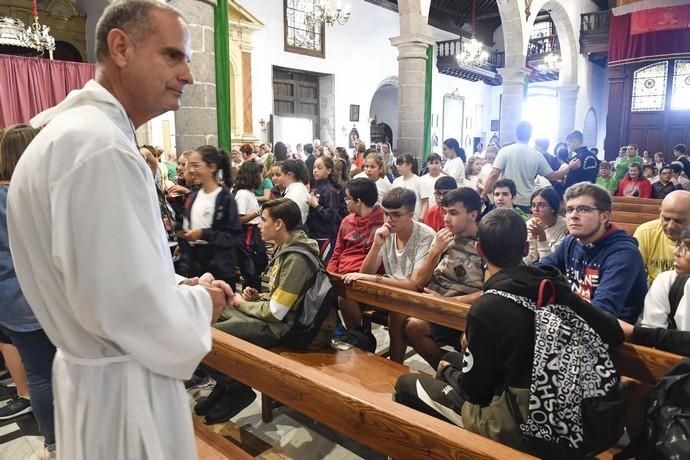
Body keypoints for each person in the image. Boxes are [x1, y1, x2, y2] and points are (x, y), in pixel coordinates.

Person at [6, 2, 232, 459]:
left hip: (96, 382)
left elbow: (98, 280)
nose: (188, 74)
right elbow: (132, 311)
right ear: (121, 47)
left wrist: (172, 283)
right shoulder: (99, 147)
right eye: (174, 55)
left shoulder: (71, 135)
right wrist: (200, 302)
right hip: (126, 397)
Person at [393, 208, 623, 453]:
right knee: (450, 358)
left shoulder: (487, 307)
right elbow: (614, 333)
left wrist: (449, 373)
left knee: (407, 384)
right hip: (576, 411)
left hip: (527, 426)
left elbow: (475, 392)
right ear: (525, 248)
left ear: (480, 251)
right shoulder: (553, 286)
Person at [199, 198, 322, 423]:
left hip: (281, 328)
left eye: (263, 220)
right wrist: (258, 298)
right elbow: (279, 297)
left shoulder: (296, 257)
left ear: (278, 224)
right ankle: (225, 384)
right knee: (205, 318)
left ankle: (236, 388)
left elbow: (277, 313)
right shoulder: (286, 247)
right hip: (274, 318)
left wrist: (242, 303)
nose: (258, 225)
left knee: (204, 336)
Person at [0, 124, 57, 458]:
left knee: (38, 374)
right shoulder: (30, 195)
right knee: (58, 371)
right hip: (39, 298)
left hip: (9, 299)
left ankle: (52, 442)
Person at [342, 188, 435, 363]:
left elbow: (415, 285)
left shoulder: (425, 235)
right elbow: (365, 273)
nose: (389, 220)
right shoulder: (385, 232)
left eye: (396, 215)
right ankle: (362, 344)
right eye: (386, 214)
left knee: (397, 306)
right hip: (389, 290)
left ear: (410, 215)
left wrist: (375, 279)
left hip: (412, 296)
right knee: (345, 294)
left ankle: (395, 364)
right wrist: (376, 246)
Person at [537, 184, 647, 323]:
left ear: (604, 216)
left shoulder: (623, 254)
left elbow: (602, 312)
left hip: (615, 332)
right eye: (569, 210)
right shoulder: (571, 241)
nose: (573, 216)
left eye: (583, 209)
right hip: (578, 320)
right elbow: (541, 270)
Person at [404, 188, 485, 368]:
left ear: (473, 214)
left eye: (453, 213)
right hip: (436, 306)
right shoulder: (443, 237)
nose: (446, 218)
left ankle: (460, 378)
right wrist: (435, 251)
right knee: (410, 325)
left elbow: (490, 291)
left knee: (470, 340)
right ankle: (448, 371)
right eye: (445, 212)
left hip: (468, 311)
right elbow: (418, 282)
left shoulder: (487, 242)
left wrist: (448, 301)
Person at [327, 179, 384, 348]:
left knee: (345, 295)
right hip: (342, 276)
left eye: (347, 199)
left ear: (358, 201)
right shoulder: (347, 221)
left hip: (367, 280)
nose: (345, 202)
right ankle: (343, 334)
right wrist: (330, 275)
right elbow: (337, 252)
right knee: (315, 291)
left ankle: (358, 337)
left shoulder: (382, 222)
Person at [177, 145, 242, 285]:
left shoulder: (225, 199)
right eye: (190, 166)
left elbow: (233, 236)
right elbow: (185, 226)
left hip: (218, 269)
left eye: (196, 165)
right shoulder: (192, 196)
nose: (191, 170)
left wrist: (203, 234)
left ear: (212, 167)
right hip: (194, 266)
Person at [481, 121, 580, 213]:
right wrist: (569, 167)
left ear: (516, 134)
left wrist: (484, 194)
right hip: (526, 202)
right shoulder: (536, 155)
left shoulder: (505, 151)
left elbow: (494, 174)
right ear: (530, 135)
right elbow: (553, 176)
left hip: (507, 199)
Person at [640, 225, 690, 330]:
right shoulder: (666, 281)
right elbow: (650, 334)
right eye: (678, 245)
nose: (676, 252)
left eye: (686, 248)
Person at [634, 191, 690, 284]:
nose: (670, 226)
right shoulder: (646, 232)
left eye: (678, 221)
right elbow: (634, 272)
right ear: (660, 212)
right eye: (666, 219)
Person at [234, 161, 267, 290]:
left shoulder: (250, 193)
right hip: (247, 236)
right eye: (261, 175)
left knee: (257, 269)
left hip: (254, 234)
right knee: (250, 272)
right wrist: (258, 212)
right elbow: (239, 219)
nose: (262, 178)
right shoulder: (242, 194)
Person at [307, 156, 343, 258]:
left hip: (325, 237)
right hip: (315, 235)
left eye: (319, 168)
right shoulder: (316, 188)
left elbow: (332, 217)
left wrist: (316, 206)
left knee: (325, 268)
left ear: (328, 170)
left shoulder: (330, 191)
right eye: (314, 167)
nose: (315, 170)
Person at [524, 186, 567, 264]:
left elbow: (549, 264)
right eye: (533, 205)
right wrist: (533, 237)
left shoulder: (565, 227)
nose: (536, 210)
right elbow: (528, 260)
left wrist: (542, 237)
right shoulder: (529, 225)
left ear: (553, 208)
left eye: (541, 205)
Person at [393, 154, 428, 220]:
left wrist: (421, 218)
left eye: (400, 164)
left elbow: (425, 202)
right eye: (397, 164)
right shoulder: (396, 181)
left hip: (415, 218)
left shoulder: (419, 181)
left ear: (409, 165)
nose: (398, 167)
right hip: (399, 218)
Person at [277, 159, 311, 225]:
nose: (279, 178)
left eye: (280, 175)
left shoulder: (292, 196)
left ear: (289, 174)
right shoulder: (300, 188)